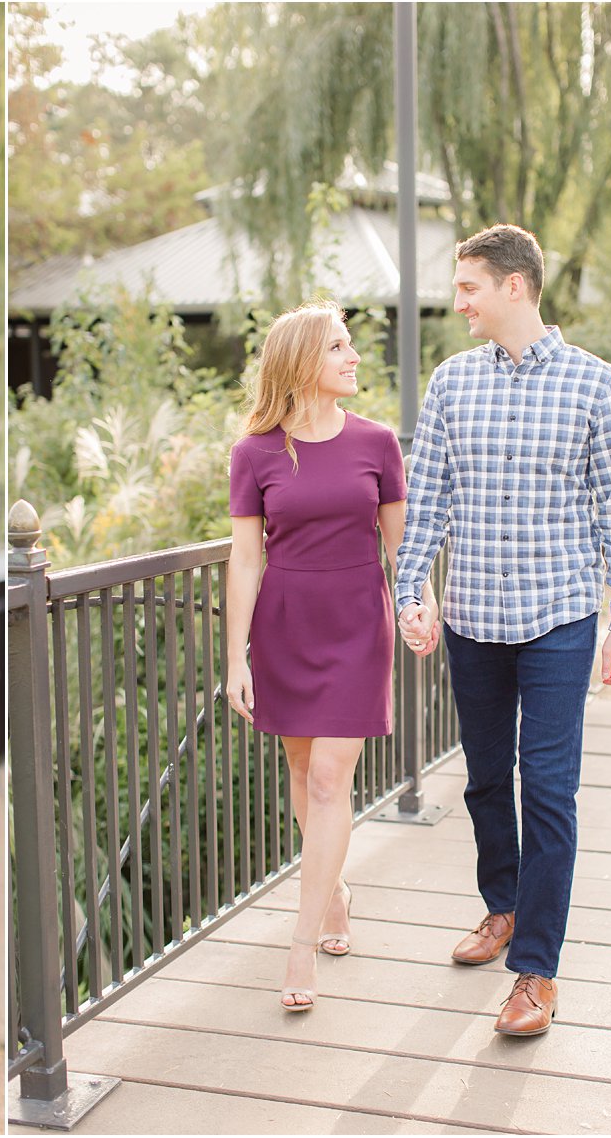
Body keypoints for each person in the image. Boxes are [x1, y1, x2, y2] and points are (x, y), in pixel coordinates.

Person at [395, 223, 611, 1037]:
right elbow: (426, 496)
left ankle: (535, 970)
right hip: (470, 617)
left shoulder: (595, 385)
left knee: (546, 787)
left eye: (469, 285)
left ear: (514, 286)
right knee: (481, 778)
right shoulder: (450, 383)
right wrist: (413, 590)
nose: (458, 301)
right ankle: (501, 905)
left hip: (558, 619)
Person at [224, 300, 422, 1011]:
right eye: (339, 346)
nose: (353, 356)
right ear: (305, 361)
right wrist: (235, 658)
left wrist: (413, 606)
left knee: (331, 778)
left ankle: (300, 943)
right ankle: (333, 890)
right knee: (305, 771)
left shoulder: (378, 442)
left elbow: (403, 546)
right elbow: (246, 560)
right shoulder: (255, 452)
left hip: (356, 625)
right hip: (284, 625)